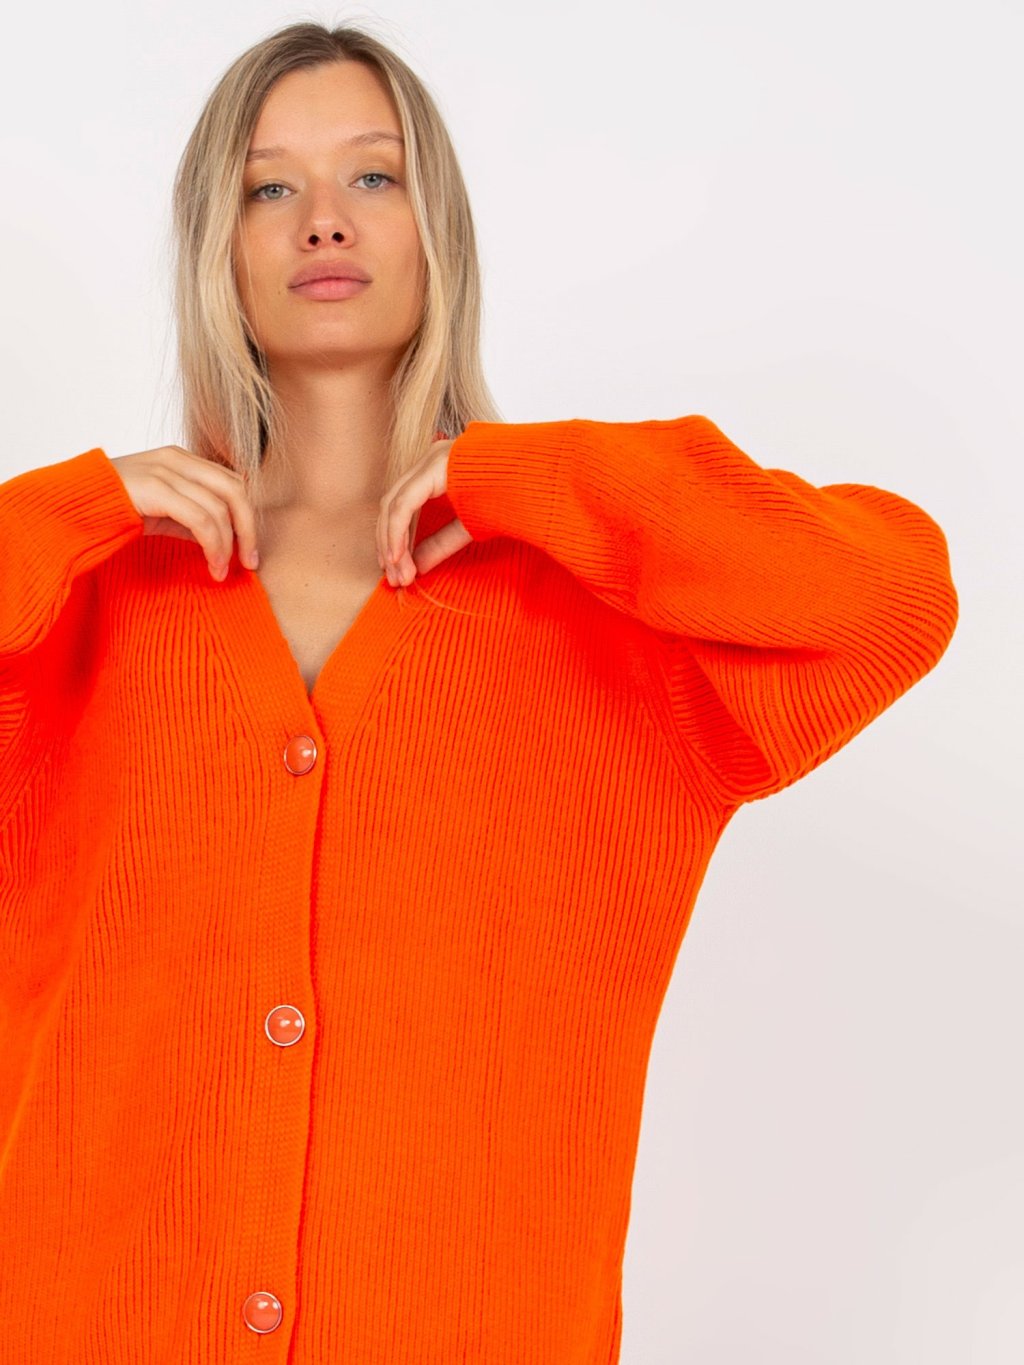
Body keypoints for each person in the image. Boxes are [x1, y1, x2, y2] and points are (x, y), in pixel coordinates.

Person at [0, 19, 959, 1365]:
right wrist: (63, 511)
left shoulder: (596, 613)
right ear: (215, 244)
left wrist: (527, 477)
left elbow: (895, 596)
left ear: (437, 228)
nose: (323, 220)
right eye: (269, 187)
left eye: (372, 175)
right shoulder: (79, 602)